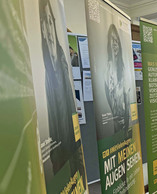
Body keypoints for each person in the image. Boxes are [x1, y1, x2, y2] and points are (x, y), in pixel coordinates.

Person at [39, 0, 86, 188]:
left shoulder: (62, 58)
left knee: (79, 180)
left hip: (73, 140)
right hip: (57, 148)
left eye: (52, 22)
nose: (49, 30)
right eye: (45, 23)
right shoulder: (42, 63)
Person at [105, 24, 130, 136]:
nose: (115, 43)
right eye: (112, 40)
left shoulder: (123, 69)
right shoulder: (107, 69)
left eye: (117, 41)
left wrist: (127, 120)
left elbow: (127, 98)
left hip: (125, 119)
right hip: (114, 120)